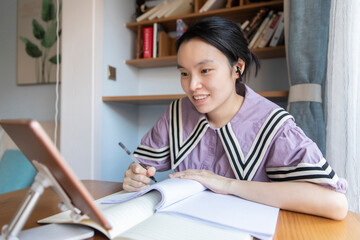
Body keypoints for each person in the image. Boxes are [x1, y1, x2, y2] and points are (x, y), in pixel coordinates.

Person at [123, 16, 348, 220]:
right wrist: (135, 177)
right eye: (184, 73)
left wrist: (228, 184)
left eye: (205, 71)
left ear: (237, 68)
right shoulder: (176, 114)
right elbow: (143, 167)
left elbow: (335, 204)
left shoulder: (274, 125)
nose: (192, 86)